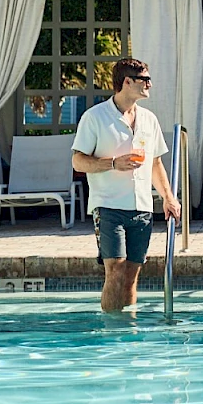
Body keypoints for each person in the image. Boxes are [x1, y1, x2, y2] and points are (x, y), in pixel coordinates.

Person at [71, 57, 181, 312]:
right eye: (145, 80)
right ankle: (111, 333)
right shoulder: (95, 117)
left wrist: (168, 197)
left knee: (131, 276)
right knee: (116, 271)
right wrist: (112, 164)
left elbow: (155, 164)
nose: (150, 85)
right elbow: (78, 161)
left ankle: (127, 334)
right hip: (109, 206)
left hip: (142, 207)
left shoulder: (148, 119)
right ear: (127, 82)